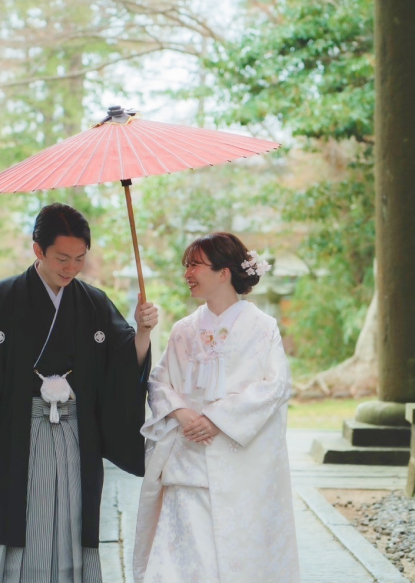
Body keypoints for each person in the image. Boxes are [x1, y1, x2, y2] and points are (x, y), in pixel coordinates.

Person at [0, 203, 158, 583]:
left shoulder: (94, 303)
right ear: (38, 250)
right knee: (19, 521)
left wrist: (143, 333)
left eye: (80, 258)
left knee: (72, 520)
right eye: (62, 258)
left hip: (75, 436)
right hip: (14, 437)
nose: (71, 268)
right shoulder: (1, 298)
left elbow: (123, 367)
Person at [133, 232, 299, 583]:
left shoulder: (262, 327)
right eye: (186, 265)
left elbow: (276, 385)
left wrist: (217, 419)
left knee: (234, 559)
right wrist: (181, 413)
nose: (187, 273)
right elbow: (160, 381)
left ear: (224, 272)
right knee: (179, 561)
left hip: (238, 462)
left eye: (194, 265)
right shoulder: (183, 330)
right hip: (186, 461)